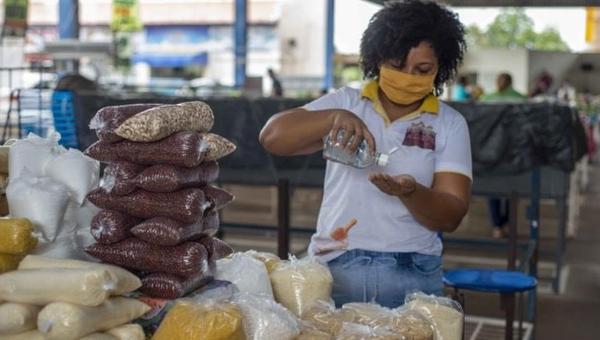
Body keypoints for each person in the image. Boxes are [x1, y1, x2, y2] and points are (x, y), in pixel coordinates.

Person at [259, 0, 471, 308]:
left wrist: (410, 192)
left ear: (440, 69)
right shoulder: (348, 102)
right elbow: (272, 137)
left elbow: (451, 214)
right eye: (398, 66)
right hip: (335, 268)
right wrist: (332, 118)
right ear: (378, 58)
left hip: (411, 273)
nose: (408, 76)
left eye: (422, 70)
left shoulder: (449, 124)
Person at [480, 72, 526, 238]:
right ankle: (507, 224)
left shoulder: (487, 99)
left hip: (491, 152)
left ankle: (497, 226)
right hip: (513, 153)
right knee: (513, 191)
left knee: (493, 190)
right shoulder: (521, 99)